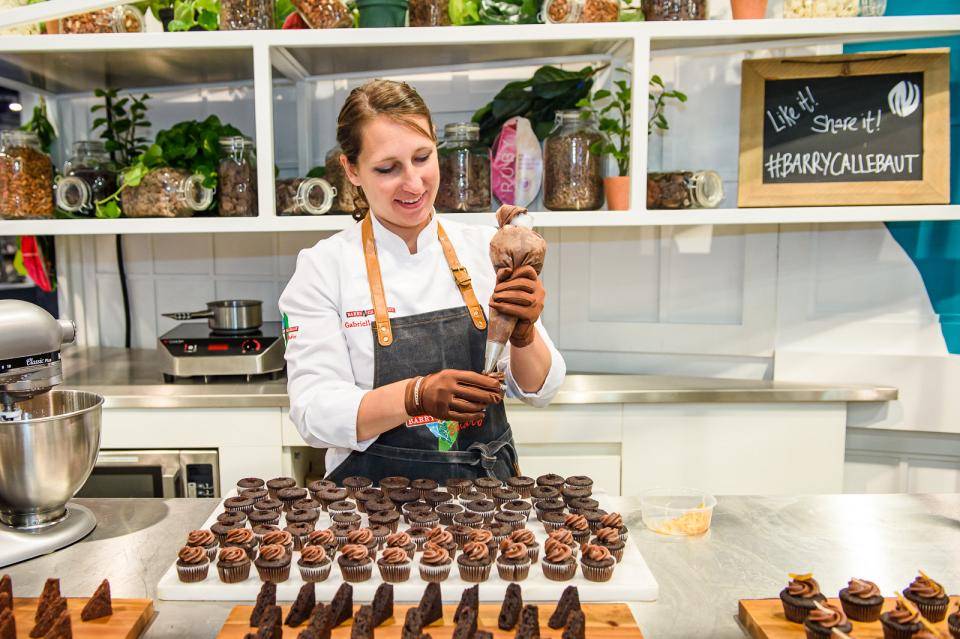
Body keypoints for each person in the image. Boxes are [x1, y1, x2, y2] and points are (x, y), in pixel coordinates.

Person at [279, 79, 566, 483]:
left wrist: (524, 334)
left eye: (422, 157)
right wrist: (414, 396)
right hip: (370, 511)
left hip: (486, 504)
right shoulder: (324, 268)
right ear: (352, 170)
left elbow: (541, 389)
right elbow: (313, 413)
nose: (413, 184)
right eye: (387, 168)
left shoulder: (488, 248)